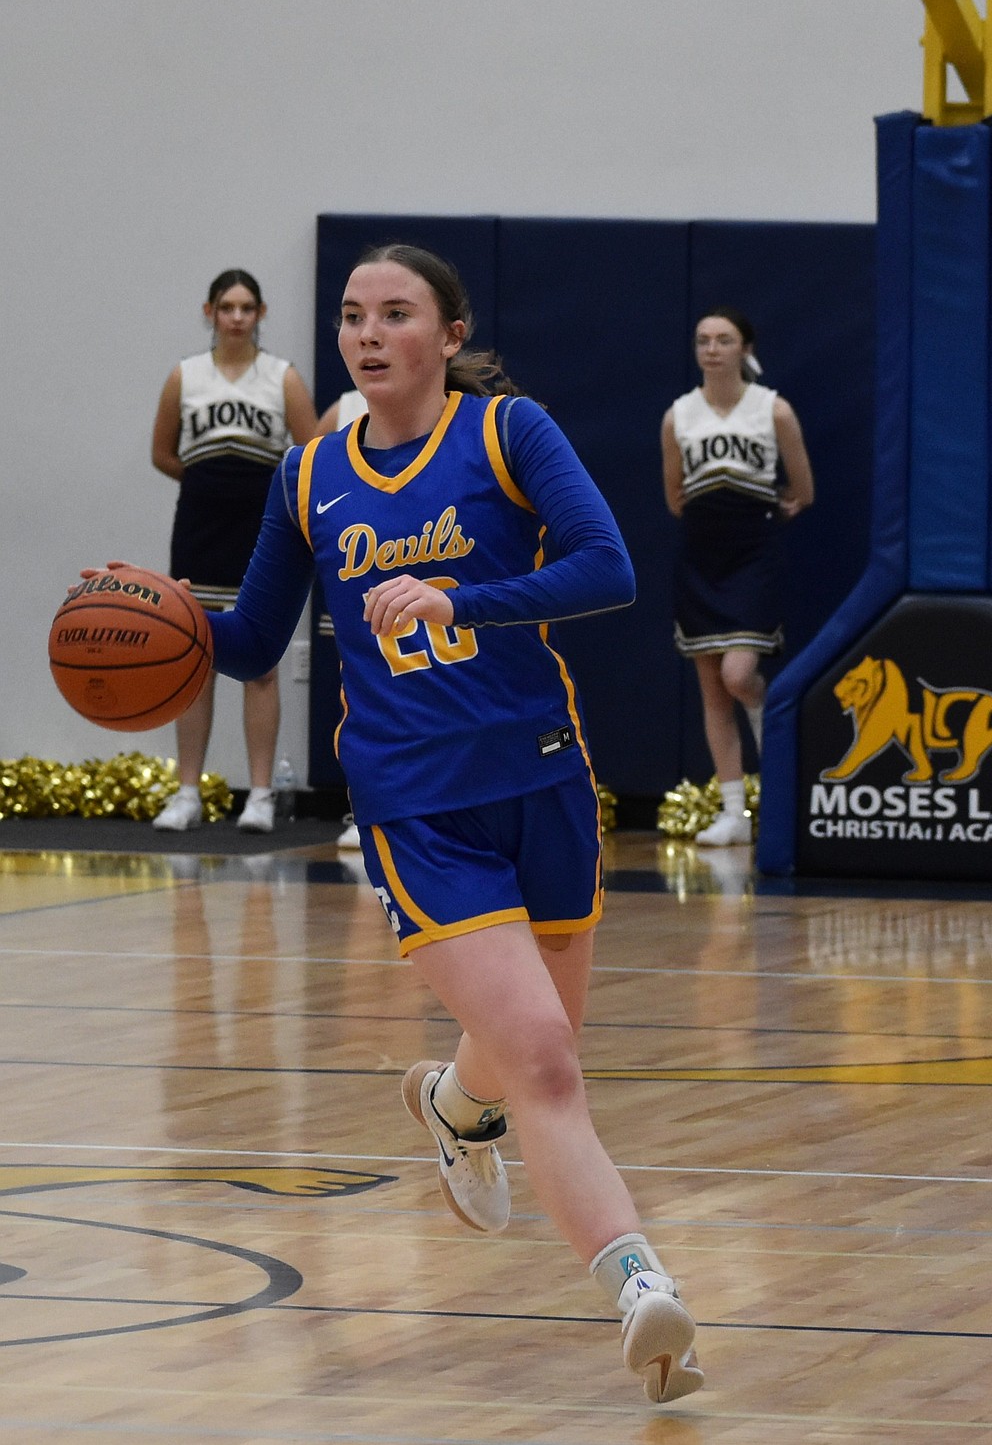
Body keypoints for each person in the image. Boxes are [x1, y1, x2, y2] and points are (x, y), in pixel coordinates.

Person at [87, 245, 704, 1402]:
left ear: (450, 336)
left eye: (396, 314)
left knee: (530, 1050)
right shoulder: (308, 474)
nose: (368, 335)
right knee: (546, 1059)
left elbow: (607, 567)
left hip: (541, 779)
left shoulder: (506, 433)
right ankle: (642, 1290)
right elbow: (251, 640)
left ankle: (453, 1109)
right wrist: (155, 615)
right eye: (352, 316)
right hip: (413, 805)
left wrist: (461, 598)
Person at [150, 268, 318, 833]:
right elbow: (162, 453)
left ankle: (261, 795)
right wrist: (209, 483)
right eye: (228, 307)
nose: (238, 317)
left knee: (259, 661)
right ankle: (188, 793)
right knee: (193, 656)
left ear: (261, 313)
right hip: (200, 527)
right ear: (210, 312)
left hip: (261, 528)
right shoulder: (185, 375)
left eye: (248, 307)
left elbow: (312, 454)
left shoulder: (282, 377)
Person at [662, 306, 814, 846]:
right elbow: (675, 497)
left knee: (738, 675)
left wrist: (766, 508)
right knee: (712, 691)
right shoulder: (678, 416)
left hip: (753, 555)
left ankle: (768, 720)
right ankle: (734, 813)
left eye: (723, 340)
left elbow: (803, 490)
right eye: (703, 339)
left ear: (744, 348)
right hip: (701, 558)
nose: (711, 349)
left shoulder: (773, 409)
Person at [314, 390, 369, 851]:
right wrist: (170, 608)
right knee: (357, 689)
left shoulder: (482, 422)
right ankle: (363, 805)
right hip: (358, 578)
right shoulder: (342, 411)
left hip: (440, 591)